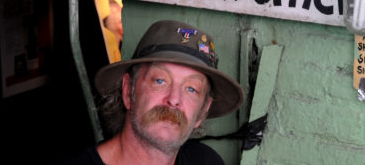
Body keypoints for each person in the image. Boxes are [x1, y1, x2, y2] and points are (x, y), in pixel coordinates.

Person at [61, 20, 245, 165]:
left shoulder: (206, 161)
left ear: (203, 112)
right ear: (128, 90)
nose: (174, 100)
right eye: (160, 81)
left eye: (191, 89)